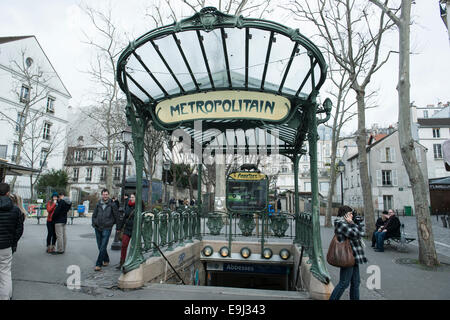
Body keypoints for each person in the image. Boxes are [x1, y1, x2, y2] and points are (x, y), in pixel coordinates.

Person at [329, 205, 367, 300]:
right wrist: (352, 223)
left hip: (354, 256)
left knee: (356, 282)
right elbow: (357, 234)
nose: (352, 216)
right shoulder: (340, 223)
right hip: (347, 256)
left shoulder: (348, 222)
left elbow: (362, 232)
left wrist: (354, 222)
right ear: (345, 215)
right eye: (350, 214)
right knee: (344, 283)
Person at [0, 183, 24, 300]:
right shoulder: (15, 210)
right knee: (5, 273)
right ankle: (5, 297)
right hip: (6, 247)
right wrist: (12, 242)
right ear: (8, 193)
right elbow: (19, 230)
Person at [92, 189, 119, 271]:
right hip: (98, 227)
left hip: (107, 227)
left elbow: (116, 216)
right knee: (100, 246)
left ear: (108, 195)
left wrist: (115, 225)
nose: (105, 196)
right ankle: (106, 259)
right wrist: (94, 223)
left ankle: (98, 264)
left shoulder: (112, 204)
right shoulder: (98, 204)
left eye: (106, 194)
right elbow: (94, 215)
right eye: (104, 194)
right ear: (102, 195)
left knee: (103, 245)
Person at [116, 193, 137, 270]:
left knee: (134, 247)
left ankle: (133, 261)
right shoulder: (127, 205)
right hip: (127, 228)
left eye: (133, 197)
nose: (131, 198)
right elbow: (124, 217)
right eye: (131, 197)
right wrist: (119, 227)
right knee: (124, 245)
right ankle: (122, 262)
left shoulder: (139, 206)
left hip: (135, 230)